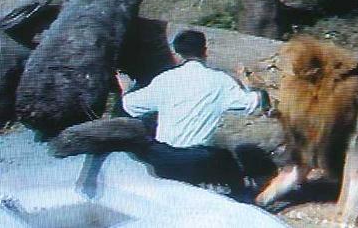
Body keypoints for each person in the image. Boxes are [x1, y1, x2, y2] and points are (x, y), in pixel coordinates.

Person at [116, 29, 271, 200]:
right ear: (205, 51)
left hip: (163, 159)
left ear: (176, 54)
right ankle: (245, 202)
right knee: (227, 161)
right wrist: (246, 82)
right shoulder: (220, 80)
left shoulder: (165, 79)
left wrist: (127, 89)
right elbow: (252, 103)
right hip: (199, 161)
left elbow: (131, 106)